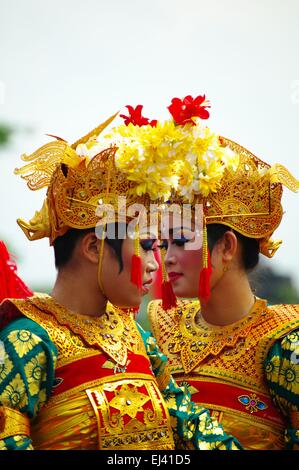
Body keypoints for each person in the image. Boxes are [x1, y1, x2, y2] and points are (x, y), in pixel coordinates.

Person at [0, 109, 241, 450]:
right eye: (145, 246)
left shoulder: (136, 338)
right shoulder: (29, 340)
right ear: (94, 247)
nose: (157, 265)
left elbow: (191, 428)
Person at [148, 95, 299, 450]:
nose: (167, 258)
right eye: (163, 243)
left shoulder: (284, 345)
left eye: (180, 241)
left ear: (227, 247)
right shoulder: (159, 331)